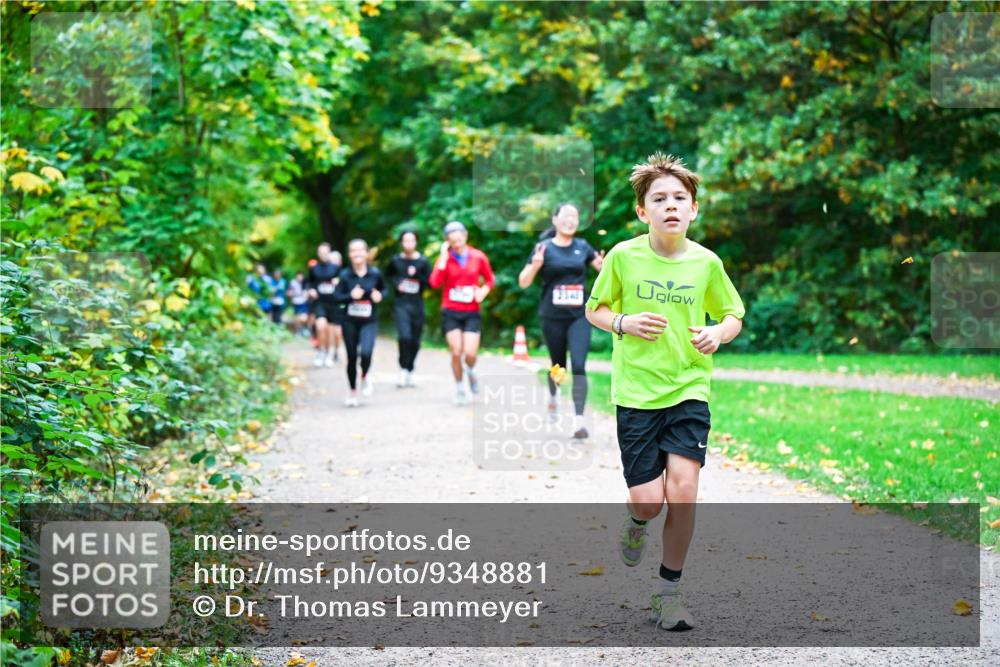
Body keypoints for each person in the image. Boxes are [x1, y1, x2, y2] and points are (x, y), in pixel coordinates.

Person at [584, 153, 745, 631]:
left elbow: (733, 313)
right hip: (636, 393)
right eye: (659, 199)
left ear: (693, 209)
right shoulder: (623, 257)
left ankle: (668, 593)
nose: (670, 206)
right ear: (642, 211)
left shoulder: (706, 263)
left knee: (685, 491)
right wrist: (623, 322)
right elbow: (595, 309)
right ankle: (636, 524)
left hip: (689, 388)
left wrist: (719, 334)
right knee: (649, 502)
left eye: (680, 198)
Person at [518, 203, 604, 439]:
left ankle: (578, 421)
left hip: (579, 315)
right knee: (558, 364)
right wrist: (535, 266)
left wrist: (601, 267)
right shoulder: (543, 248)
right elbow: (523, 282)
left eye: (575, 216)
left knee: (578, 364)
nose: (570, 220)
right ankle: (553, 396)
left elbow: (603, 271)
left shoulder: (583, 247)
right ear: (555, 220)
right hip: (552, 316)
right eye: (566, 216)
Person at [429, 221, 495, 406]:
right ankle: (459, 388)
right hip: (451, 311)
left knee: (470, 354)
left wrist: (483, 291)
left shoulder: (478, 256)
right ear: (447, 242)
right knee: (456, 352)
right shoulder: (445, 259)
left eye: (459, 240)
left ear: (465, 236)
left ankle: (472, 372)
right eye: (452, 241)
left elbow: (490, 280)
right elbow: (434, 283)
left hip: (471, 311)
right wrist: (442, 257)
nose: (457, 244)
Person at [334, 239, 385, 407]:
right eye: (353, 251)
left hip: (369, 321)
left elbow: (384, 289)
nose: (357, 254)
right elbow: (337, 298)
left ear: (366, 253)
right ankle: (352, 392)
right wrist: (350, 296)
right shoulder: (344, 275)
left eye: (360, 250)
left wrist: (380, 295)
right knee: (351, 357)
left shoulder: (375, 273)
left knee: (366, 352)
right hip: (349, 321)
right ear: (349, 255)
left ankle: (364, 375)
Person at [385, 229, 432, 388]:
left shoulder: (423, 262)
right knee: (404, 337)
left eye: (412, 240)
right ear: (401, 243)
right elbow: (388, 276)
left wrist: (417, 275)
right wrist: (397, 284)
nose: (409, 243)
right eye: (405, 240)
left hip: (417, 304)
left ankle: (410, 369)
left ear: (416, 242)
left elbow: (430, 284)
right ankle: (403, 369)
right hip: (401, 304)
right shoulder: (395, 261)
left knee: (415, 340)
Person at [305, 243, 342, 367]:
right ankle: (320, 352)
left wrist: (338, 282)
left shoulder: (336, 268)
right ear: (318, 253)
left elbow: (344, 282)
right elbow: (309, 283)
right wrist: (310, 290)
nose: (323, 254)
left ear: (329, 252)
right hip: (319, 302)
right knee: (320, 326)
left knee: (330, 331)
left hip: (333, 303)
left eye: (325, 252)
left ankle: (328, 353)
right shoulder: (314, 268)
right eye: (321, 252)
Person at [288, 271, 310, 336]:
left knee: (304, 318)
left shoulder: (306, 283)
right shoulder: (292, 283)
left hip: (304, 301)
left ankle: (304, 329)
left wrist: (307, 294)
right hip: (296, 301)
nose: (300, 278)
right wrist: (290, 294)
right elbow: (289, 292)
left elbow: (308, 291)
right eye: (298, 276)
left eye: (301, 276)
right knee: (297, 317)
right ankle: (298, 330)